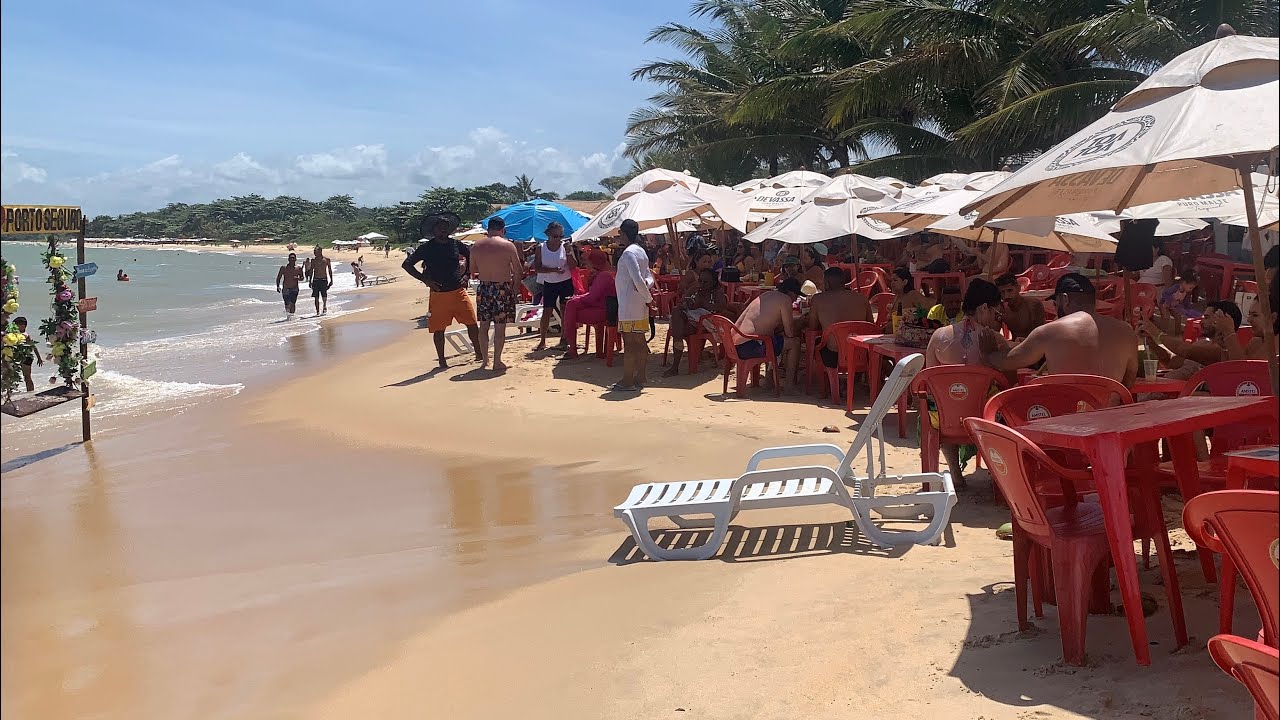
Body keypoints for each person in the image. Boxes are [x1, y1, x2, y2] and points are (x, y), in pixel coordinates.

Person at [923, 279, 1007, 488]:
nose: (997, 319)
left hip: (943, 420)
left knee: (938, 403)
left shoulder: (938, 336)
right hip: (985, 419)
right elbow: (1010, 384)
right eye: (997, 313)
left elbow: (928, 380)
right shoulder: (996, 340)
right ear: (985, 308)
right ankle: (998, 470)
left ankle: (955, 472)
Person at [985, 273, 1138, 386]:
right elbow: (1129, 381)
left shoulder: (1049, 332)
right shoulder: (1126, 331)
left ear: (1064, 299)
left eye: (1056, 302)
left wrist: (988, 351)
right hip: (1109, 417)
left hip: (1065, 418)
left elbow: (1007, 362)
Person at [402, 210, 482, 368]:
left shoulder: (455, 244)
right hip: (438, 294)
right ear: (433, 230)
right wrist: (425, 280)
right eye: (439, 227)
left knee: (472, 324)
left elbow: (472, 256)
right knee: (439, 330)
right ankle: (442, 361)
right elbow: (407, 264)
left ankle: (479, 354)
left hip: (458, 291)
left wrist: (467, 275)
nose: (443, 230)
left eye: (446, 227)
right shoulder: (427, 248)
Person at [470, 217, 525, 372]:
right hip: (502, 287)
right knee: (500, 327)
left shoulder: (476, 246)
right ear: (503, 229)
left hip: (485, 288)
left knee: (484, 326)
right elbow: (518, 270)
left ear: (488, 229)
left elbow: (473, 270)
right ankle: (497, 361)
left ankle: (485, 361)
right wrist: (514, 289)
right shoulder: (508, 245)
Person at [737, 277, 804, 391]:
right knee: (794, 343)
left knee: (776, 341)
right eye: (796, 296)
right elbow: (790, 333)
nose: (795, 299)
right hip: (750, 347)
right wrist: (801, 322)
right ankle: (789, 384)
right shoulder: (785, 300)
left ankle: (769, 379)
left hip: (736, 345)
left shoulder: (766, 295)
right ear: (791, 293)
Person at [612, 219, 654, 391]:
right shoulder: (641, 252)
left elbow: (637, 279)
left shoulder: (629, 253)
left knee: (630, 343)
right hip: (639, 303)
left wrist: (649, 298)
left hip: (629, 305)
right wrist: (646, 296)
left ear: (624, 233)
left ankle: (628, 380)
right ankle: (641, 376)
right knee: (640, 341)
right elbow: (648, 277)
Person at [663, 267, 729, 376]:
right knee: (676, 312)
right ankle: (677, 349)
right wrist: (686, 304)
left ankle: (675, 365)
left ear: (713, 282)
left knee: (677, 330)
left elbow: (722, 307)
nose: (702, 284)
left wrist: (702, 304)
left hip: (702, 324)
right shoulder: (695, 289)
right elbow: (682, 301)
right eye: (700, 281)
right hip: (688, 319)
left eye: (705, 282)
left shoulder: (717, 292)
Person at [1142, 300, 1242, 369]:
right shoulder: (1203, 343)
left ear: (1221, 319)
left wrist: (1156, 333)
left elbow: (1184, 350)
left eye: (1206, 318)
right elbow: (1170, 362)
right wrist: (1150, 340)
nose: (1201, 322)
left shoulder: (1223, 350)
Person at [808, 266, 874, 371]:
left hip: (833, 355)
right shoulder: (862, 298)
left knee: (817, 343)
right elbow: (871, 326)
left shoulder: (818, 299)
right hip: (861, 353)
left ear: (827, 283)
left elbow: (812, 327)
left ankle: (828, 381)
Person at [561, 250, 617, 358]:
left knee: (571, 307)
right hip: (602, 307)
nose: (586, 265)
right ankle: (571, 346)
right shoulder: (602, 274)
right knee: (571, 306)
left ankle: (571, 347)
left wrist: (576, 299)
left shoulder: (603, 276)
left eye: (588, 262)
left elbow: (592, 297)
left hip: (604, 310)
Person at [533, 221, 578, 351]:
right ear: (548, 235)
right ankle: (542, 340)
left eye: (560, 236)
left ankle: (564, 339)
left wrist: (569, 252)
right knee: (547, 311)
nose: (558, 239)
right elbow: (538, 268)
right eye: (555, 236)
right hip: (549, 282)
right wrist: (553, 270)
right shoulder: (541, 248)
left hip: (565, 281)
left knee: (565, 310)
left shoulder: (565, 246)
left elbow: (573, 265)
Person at [994, 272, 1045, 340]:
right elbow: (995, 334)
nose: (1006, 296)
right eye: (1002, 292)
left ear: (1018, 288)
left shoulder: (1033, 305)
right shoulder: (1002, 309)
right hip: (1016, 346)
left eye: (1010, 290)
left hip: (1034, 346)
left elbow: (1040, 335)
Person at [12, 316, 43, 392]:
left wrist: (39, 358)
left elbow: (33, 346)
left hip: (26, 357)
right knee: (17, 376)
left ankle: (31, 392)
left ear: (24, 326)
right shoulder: (13, 334)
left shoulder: (25, 335)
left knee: (27, 377)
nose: (15, 327)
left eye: (17, 325)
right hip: (17, 357)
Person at [303, 246, 333, 315]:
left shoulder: (326, 260)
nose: (314, 253)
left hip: (324, 279)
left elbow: (329, 270)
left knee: (324, 295)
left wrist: (331, 280)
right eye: (314, 252)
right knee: (316, 296)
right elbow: (311, 270)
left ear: (320, 251)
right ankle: (317, 312)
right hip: (316, 279)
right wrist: (310, 281)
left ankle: (324, 305)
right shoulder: (313, 260)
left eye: (315, 252)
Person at [275, 252, 305, 319]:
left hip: (294, 288)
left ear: (295, 259)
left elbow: (302, 278)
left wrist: (298, 278)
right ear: (288, 259)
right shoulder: (284, 268)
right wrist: (278, 286)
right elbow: (278, 277)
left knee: (293, 303)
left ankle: (292, 316)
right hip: (286, 288)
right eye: (291, 258)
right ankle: (288, 316)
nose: (292, 259)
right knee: (287, 304)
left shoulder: (298, 268)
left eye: (293, 258)